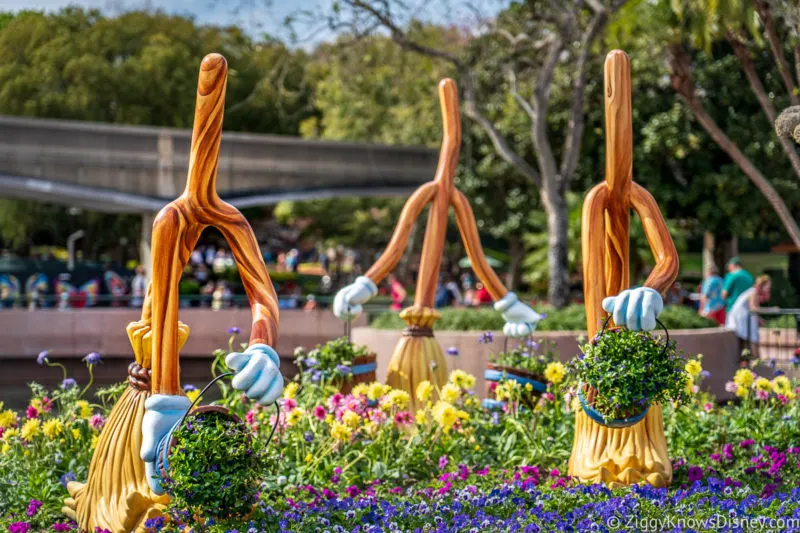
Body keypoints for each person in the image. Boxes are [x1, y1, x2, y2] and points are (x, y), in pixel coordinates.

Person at [725, 275, 772, 357]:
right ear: (762, 285)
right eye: (767, 285)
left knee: (751, 339)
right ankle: (756, 361)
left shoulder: (754, 292)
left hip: (744, 317)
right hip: (741, 318)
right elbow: (753, 308)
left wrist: (759, 319)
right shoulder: (753, 293)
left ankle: (753, 360)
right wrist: (771, 310)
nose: (769, 288)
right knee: (753, 339)